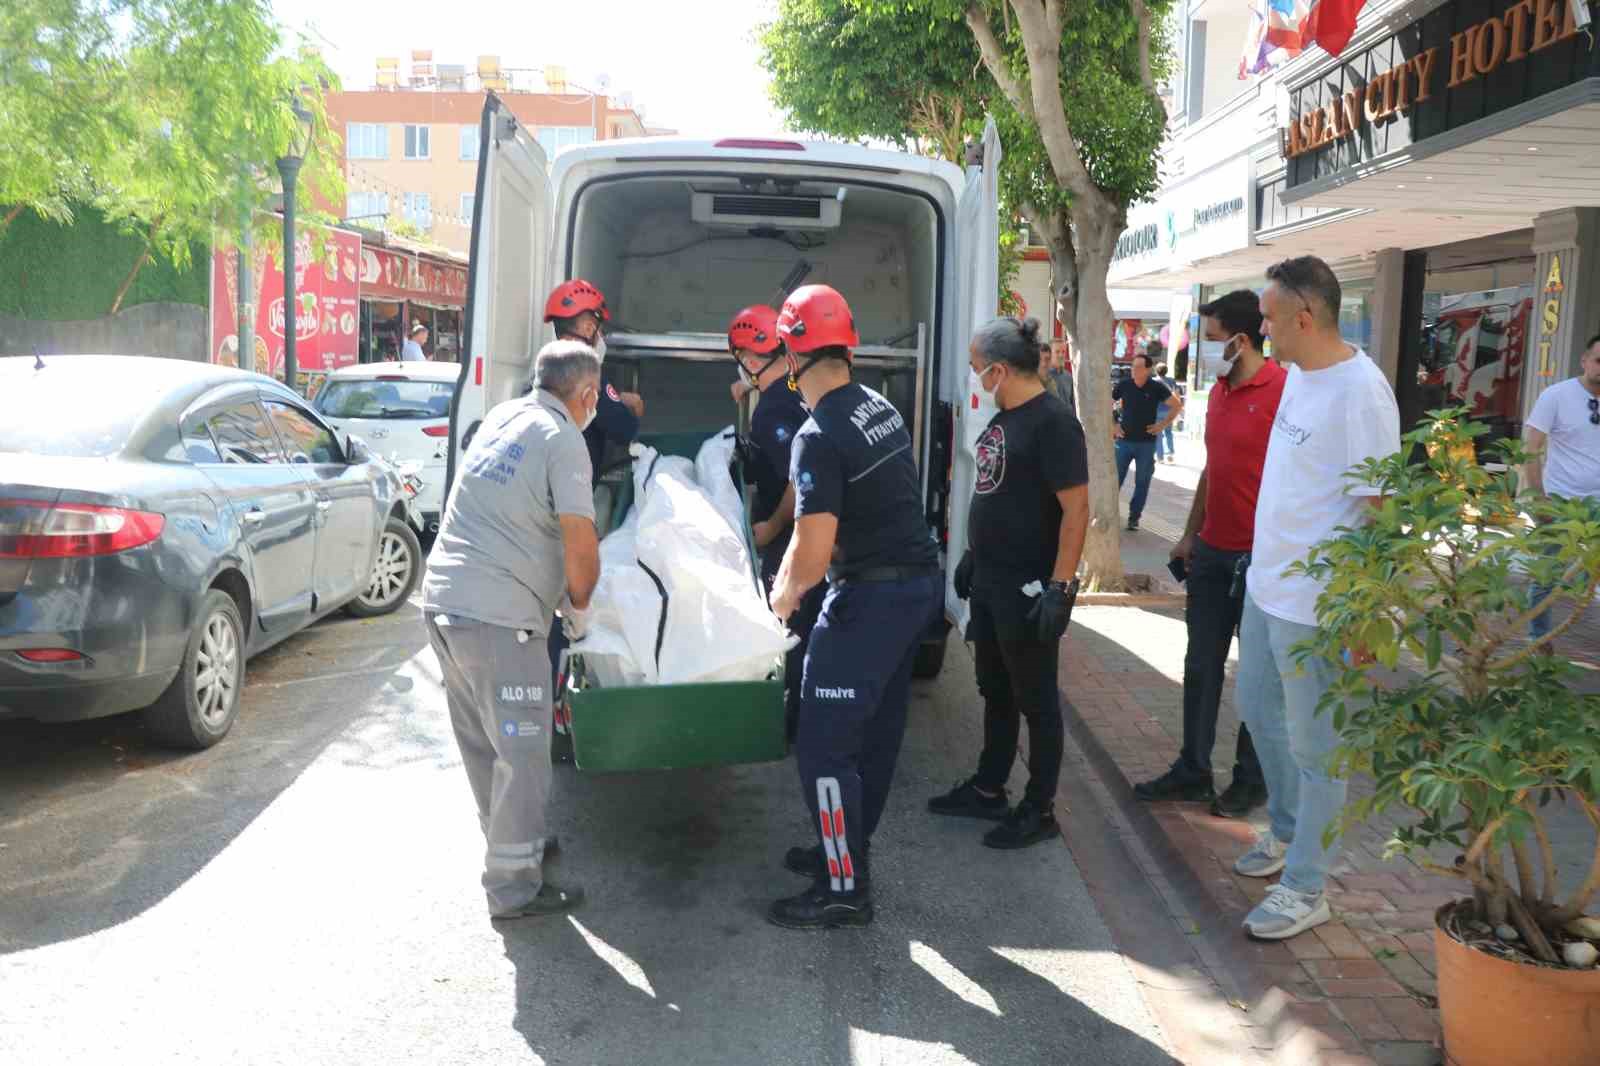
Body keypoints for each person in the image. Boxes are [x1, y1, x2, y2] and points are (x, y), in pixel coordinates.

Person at [765, 284, 943, 930]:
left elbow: (810, 559)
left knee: (823, 747)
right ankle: (842, 853)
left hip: (873, 596)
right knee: (873, 740)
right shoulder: (877, 406)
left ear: (791, 356)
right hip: (914, 589)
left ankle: (844, 886)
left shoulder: (818, 434)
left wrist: (776, 609)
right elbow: (824, 530)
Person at [1233, 256, 1400, 941]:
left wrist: (1368, 612)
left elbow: (1382, 510)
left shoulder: (1361, 393)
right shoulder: (1301, 376)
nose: (1261, 328)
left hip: (1319, 607)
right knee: (1256, 710)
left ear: (1304, 318)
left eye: (1269, 317)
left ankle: (1307, 885)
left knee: (1317, 747)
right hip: (1267, 587)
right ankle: (1287, 829)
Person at [419, 340, 602, 920]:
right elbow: (580, 544)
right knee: (523, 754)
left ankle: (512, 850)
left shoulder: (503, 417)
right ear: (588, 395)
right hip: (499, 621)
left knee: (484, 745)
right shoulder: (564, 440)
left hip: (444, 604)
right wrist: (579, 609)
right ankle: (514, 889)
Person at [929, 317, 1088, 847]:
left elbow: (1076, 510)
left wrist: (1061, 588)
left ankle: (1039, 810)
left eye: (977, 370)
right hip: (992, 582)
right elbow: (999, 491)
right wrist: (975, 553)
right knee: (995, 689)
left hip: (1027, 587)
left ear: (999, 369)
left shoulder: (1054, 423)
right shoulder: (1004, 417)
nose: (975, 379)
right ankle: (989, 787)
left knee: (1037, 701)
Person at [1134, 290, 1279, 819]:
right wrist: (1189, 534)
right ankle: (1193, 771)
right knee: (1201, 665)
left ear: (1241, 340)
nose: (1205, 350)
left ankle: (1251, 779)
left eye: (1213, 339)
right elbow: (1213, 471)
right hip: (1213, 554)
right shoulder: (1218, 394)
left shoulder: (1285, 391)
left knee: (1257, 675)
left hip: (1261, 562)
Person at [727, 304, 825, 740]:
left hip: (790, 533)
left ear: (751, 360)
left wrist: (770, 526)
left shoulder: (772, 412)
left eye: (742, 359)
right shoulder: (789, 391)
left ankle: (793, 722)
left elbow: (795, 478)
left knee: (791, 630)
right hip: (809, 532)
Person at [1523, 333, 1600, 644]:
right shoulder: (1556, 396)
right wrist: (1540, 500)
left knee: (1588, 575)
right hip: (1560, 501)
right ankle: (1537, 639)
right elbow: (1531, 449)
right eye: (1598, 360)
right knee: (1547, 574)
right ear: (1584, 361)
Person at [1113, 352, 1184, 531]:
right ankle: (1110, 514)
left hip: (1146, 443)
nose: (1133, 371)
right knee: (1115, 480)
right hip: (1123, 442)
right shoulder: (1124, 385)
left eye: (1137, 367)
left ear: (1147, 369)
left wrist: (1163, 424)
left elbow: (1177, 405)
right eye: (1132, 367)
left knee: (1142, 482)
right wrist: (1113, 425)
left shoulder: (1156, 387)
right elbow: (1107, 403)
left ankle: (1134, 517)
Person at [1153, 361, 1179, 464]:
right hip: (1170, 410)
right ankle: (1170, 455)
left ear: (1156, 371)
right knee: (1169, 432)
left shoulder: (1154, 381)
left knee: (1158, 434)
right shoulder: (1172, 381)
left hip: (1157, 410)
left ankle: (1160, 457)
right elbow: (1177, 395)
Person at [1046, 337, 1076, 418]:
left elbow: (1073, 405)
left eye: (1063, 352)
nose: (1061, 355)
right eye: (1057, 352)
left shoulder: (1068, 377)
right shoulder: (1043, 377)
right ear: (1049, 354)